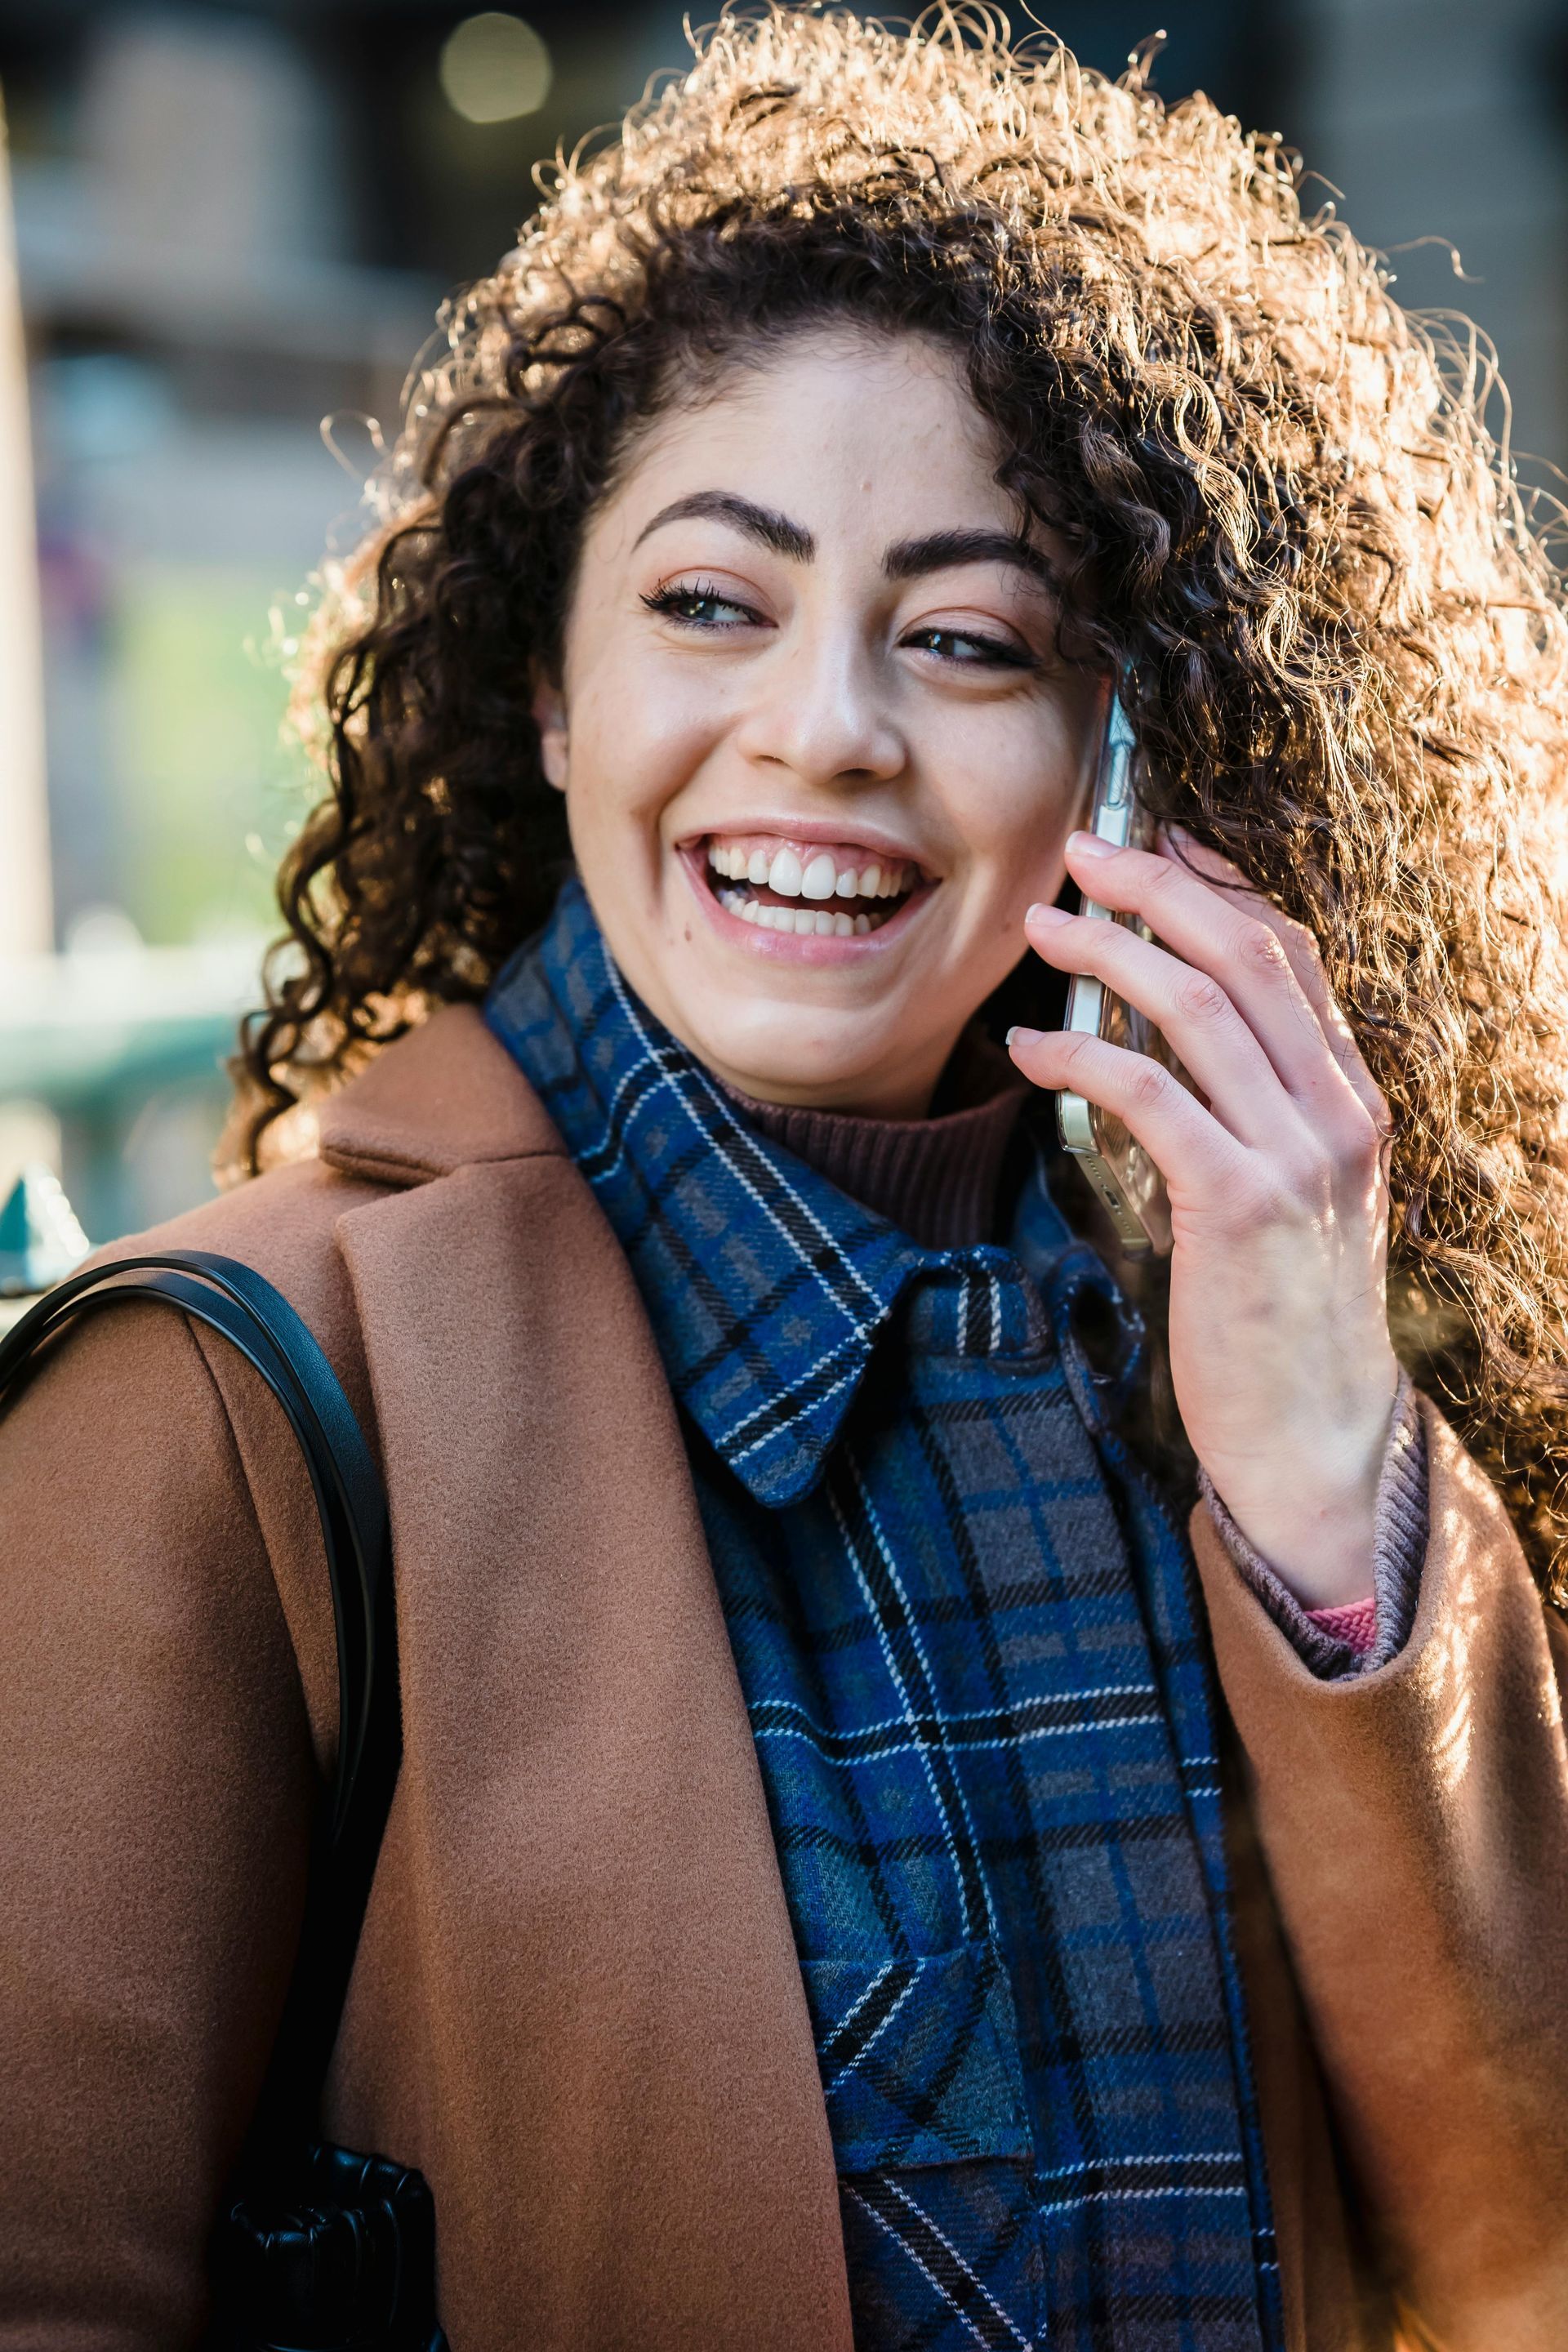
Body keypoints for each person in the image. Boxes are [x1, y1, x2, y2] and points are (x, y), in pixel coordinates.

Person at [5, 10, 1568, 2350]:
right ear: (550, 689)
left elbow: (1510, 2260)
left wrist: (1327, 1476)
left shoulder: (1240, 1378)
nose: (827, 725)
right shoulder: (222, 1410)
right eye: (711, 604)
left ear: (1126, 750)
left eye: (967, 638)